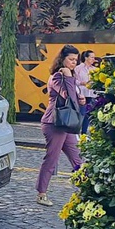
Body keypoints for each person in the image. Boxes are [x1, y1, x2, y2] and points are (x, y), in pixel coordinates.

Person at [36, 45, 83, 207]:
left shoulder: (70, 76)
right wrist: (69, 77)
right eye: (70, 59)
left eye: (76, 60)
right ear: (62, 60)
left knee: (77, 158)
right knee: (51, 159)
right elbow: (67, 95)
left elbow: (75, 97)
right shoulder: (57, 77)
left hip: (67, 124)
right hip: (54, 123)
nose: (73, 63)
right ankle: (41, 194)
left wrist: (80, 96)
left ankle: (86, 190)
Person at [75, 50, 96, 134]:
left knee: (88, 114)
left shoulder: (94, 69)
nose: (93, 59)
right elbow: (74, 80)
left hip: (91, 93)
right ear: (86, 58)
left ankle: (84, 132)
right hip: (82, 93)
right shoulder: (78, 68)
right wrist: (81, 83)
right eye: (92, 57)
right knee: (81, 113)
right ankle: (75, 131)